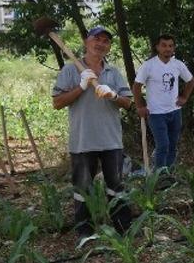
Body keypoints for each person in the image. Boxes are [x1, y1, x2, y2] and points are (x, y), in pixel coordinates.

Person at [51, 26, 134, 239]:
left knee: (116, 187)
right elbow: (57, 103)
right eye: (97, 39)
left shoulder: (113, 72)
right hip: (82, 141)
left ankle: (123, 230)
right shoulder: (71, 71)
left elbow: (128, 103)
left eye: (106, 41)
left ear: (109, 46)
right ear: (86, 42)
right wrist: (81, 86)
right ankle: (85, 233)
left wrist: (113, 96)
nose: (101, 44)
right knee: (82, 189)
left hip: (111, 140)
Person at [133, 34, 194, 171]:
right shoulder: (149, 65)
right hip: (156, 113)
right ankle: (159, 175)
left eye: (170, 46)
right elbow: (136, 86)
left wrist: (184, 97)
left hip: (174, 111)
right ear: (157, 47)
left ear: (174, 48)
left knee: (172, 144)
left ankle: (168, 172)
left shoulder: (178, 64)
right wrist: (140, 106)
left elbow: (190, 81)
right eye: (164, 45)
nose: (167, 48)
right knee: (163, 145)